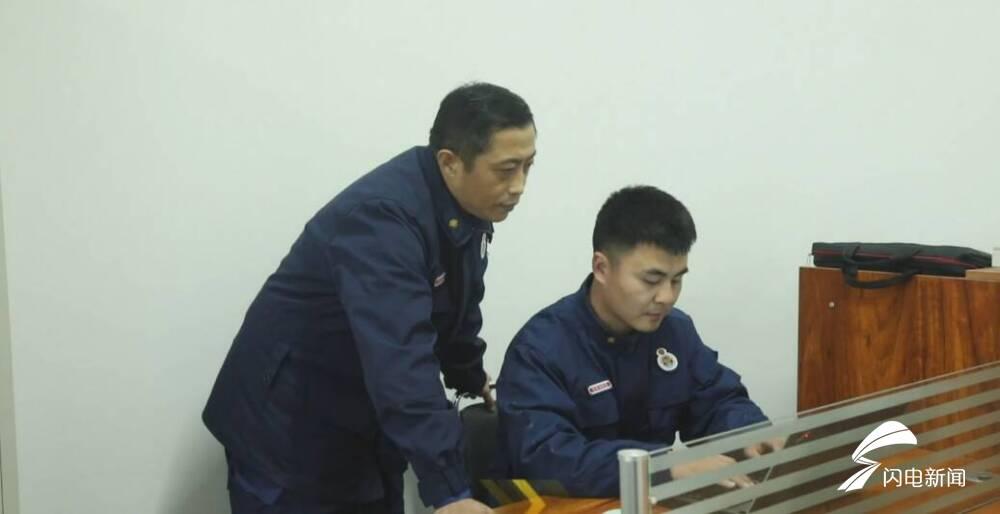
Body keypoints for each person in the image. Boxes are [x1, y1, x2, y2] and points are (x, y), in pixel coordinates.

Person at [203, 82, 536, 514]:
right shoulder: (382, 222)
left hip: (363, 423)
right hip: (288, 431)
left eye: (528, 166)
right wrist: (450, 492)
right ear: (450, 162)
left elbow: (455, 301)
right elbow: (401, 359)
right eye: (506, 170)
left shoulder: (464, 209)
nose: (519, 186)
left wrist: (468, 373)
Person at [495, 185, 779, 497]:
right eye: (651, 280)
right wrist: (664, 466)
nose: (667, 296)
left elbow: (717, 401)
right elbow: (547, 457)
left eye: (677, 280)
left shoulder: (675, 331)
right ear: (602, 268)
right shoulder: (540, 348)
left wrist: (751, 434)